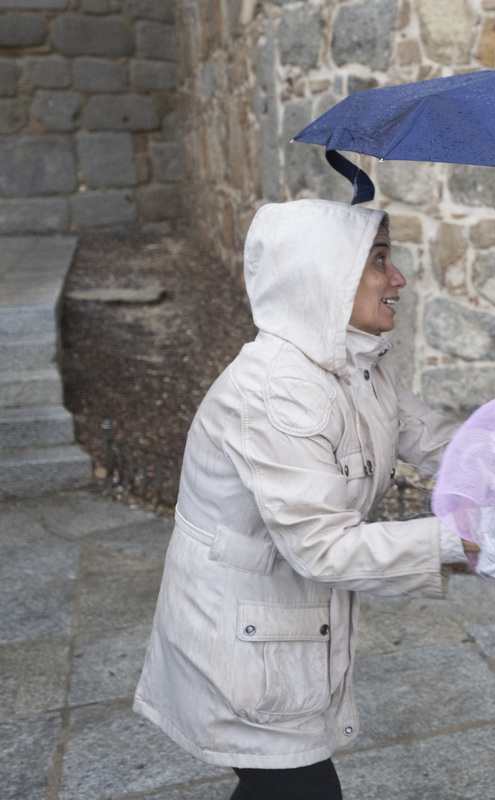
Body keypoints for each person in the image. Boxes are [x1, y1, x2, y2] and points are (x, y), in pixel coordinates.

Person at [134, 199, 473, 799]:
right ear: (327, 274)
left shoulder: (356, 361)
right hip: (238, 633)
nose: (399, 279)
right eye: (379, 261)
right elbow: (321, 547)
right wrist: (462, 540)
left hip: (280, 624)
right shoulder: (277, 392)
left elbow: (431, 436)